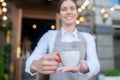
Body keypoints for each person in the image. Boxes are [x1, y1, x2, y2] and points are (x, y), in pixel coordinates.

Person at [25, 0, 100, 80]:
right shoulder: (49, 36)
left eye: (72, 8)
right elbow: (30, 62)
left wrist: (85, 68)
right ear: (59, 15)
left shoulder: (87, 37)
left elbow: (95, 64)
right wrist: (35, 65)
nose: (68, 12)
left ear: (77, 13)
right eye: (64, 9)